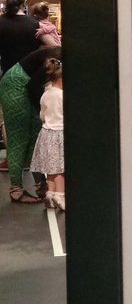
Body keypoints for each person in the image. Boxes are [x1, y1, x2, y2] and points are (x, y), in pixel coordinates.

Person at [0, 43, 61, 203]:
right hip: (15, 85)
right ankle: (16, 189)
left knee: (35, 136)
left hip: (24, 84)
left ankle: (41, 185)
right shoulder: (60, 57)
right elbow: (34, 86)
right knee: (19, 138)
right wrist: (43, 110)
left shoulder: (61, 54)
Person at [29, 56, 64, 211]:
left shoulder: (46, 94)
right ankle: (60, 195)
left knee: (50, 167)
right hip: (59, 134)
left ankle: (50, 194)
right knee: (61, 168)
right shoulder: (63, 96)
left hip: (46, 133)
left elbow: (42, 116)